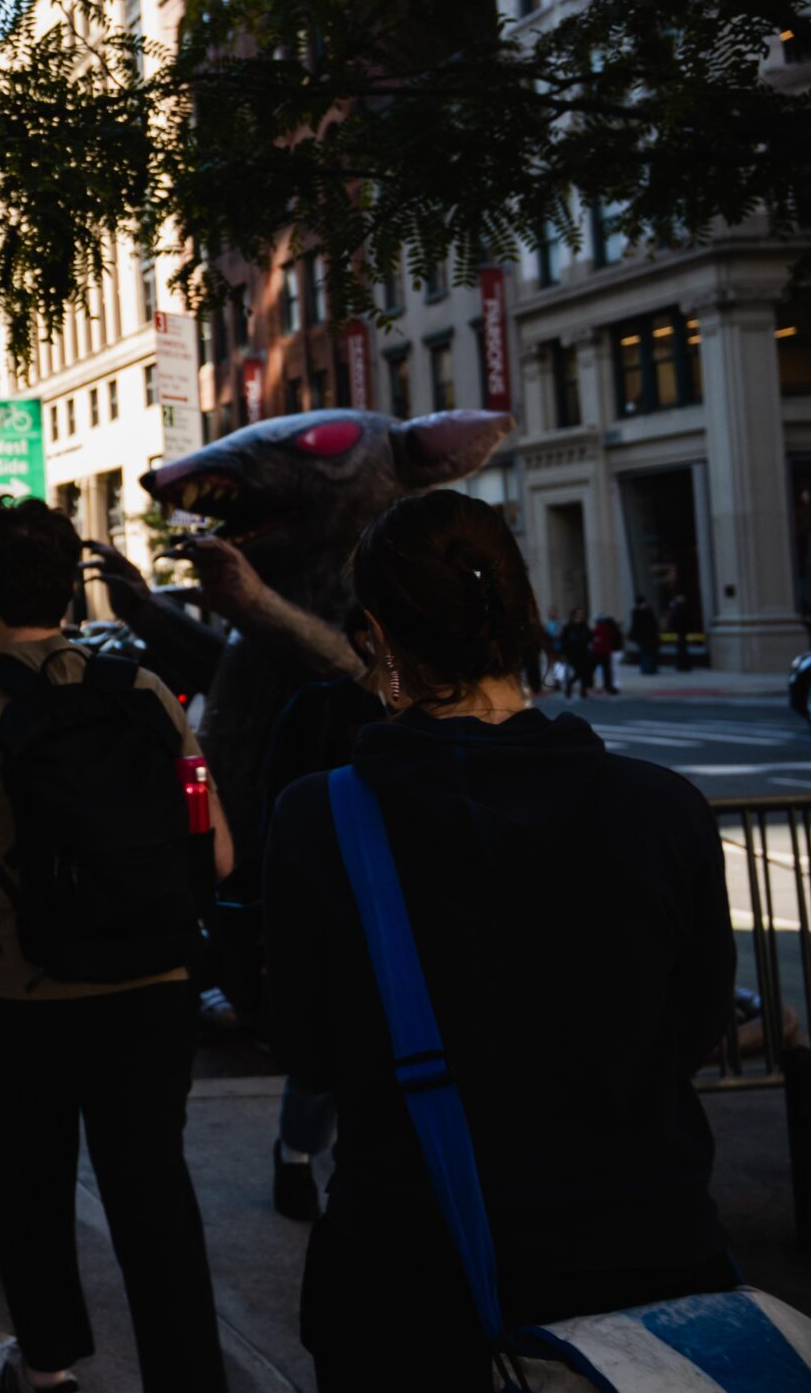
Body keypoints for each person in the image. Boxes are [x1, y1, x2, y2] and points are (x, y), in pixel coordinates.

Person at [262, 490, 737, 1388]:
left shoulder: (320, 819)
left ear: (375, 638)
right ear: (521, 614)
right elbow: (695, 1026)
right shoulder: (664, 808)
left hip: (409, 1273)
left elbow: (308, 1045)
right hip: (653, 1267)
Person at [0, 501, 233, 1393]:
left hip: (18, 997)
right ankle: (190, 1377)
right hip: (153, 987)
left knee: (31, 1188)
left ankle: (46, 1365)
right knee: (154, 1192)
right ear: (71, 590)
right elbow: (220, 849)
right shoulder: (148, 693)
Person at [251, 610, 388, 1222]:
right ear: (367, 637)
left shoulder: (442, 717)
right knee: (326, 1050)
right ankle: (299, 1153)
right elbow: (277, 811)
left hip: (405, 906)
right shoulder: (321, 709)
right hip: (335, 905)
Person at [557, 609, 594, 701]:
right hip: (572, 653)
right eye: (578, 615)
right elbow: (564, 640)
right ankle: (569, 685)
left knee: (584, 672)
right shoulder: (568, 627)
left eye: (581, 615)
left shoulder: (584, 626)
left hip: (584, 652)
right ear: (573, 616)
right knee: (578, 672)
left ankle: (583, 690)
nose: (580, 617)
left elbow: (590, 636)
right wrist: (564, 652)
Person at [589, 611, 622, 695]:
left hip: (598, 653)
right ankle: (608, 686)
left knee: (591, 669)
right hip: (606, 652)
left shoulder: (598, 629)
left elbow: (594, 640)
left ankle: (591, 685)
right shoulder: (609, 629)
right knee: (607, 671)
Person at [630, 594, 661, 676]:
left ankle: (647, 669)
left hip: (643, 636)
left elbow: (635, 625)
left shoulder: (636, 611)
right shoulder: (647, 611)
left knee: (645, 652)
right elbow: (653, 623)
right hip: (648, 635)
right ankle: (650, 668)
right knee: (649, 652)